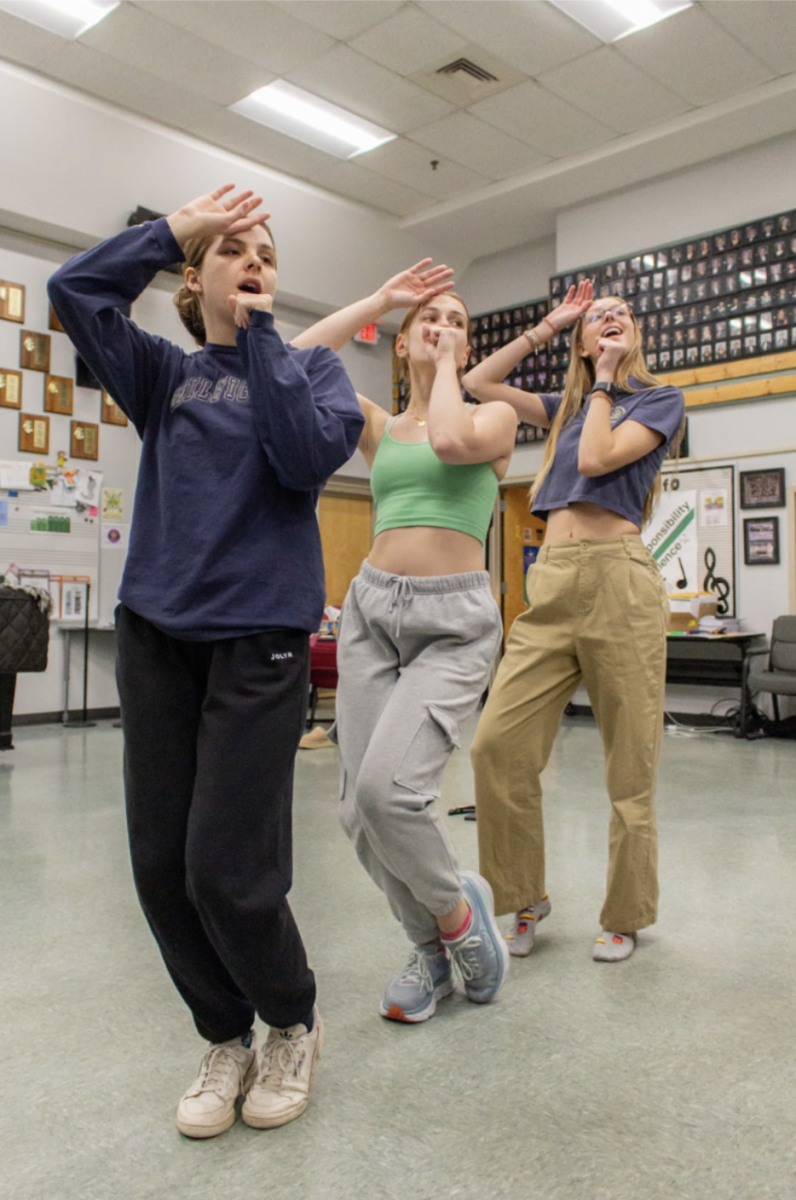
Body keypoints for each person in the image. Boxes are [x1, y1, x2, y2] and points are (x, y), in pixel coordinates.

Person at [48, 185, 364, 1138]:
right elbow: (73, 290)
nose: (254, 258)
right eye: (232, 249)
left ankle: (291, 1019)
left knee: (227, 866)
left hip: (259, 640)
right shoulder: (162, 374)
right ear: (197, 275)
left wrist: (263, 336)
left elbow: (303, 457)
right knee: (158, 865)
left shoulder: (316, 373)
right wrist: (174, 228)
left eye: (266, 250)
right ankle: (224, 1031)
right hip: (157, 636)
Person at [294, 283, 518, 1022]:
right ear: (401, 340)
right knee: (358, 813)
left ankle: (459, 916)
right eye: (431, 320)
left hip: (452, 623)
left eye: (459, 322)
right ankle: (428, 950)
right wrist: (378, 299)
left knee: (389, 792)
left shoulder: (494, 416)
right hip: (371, 614)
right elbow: (291, 362)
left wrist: (451, 365)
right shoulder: (381, 427)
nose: (445, 328)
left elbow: (452, 442)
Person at [465, 281, 685, 964]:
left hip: (619, 577)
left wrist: (607, 381)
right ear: (582, 342)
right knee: (495, 746)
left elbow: (595, 460)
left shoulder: (656, 400)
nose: (609, 318)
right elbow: (478, 380)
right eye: (596, 318)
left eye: (620, 314)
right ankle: (522, 896)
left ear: (632, 337)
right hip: (552, 582)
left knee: (630, 764)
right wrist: (547, 326)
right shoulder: (564, 406)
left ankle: (625, 914)